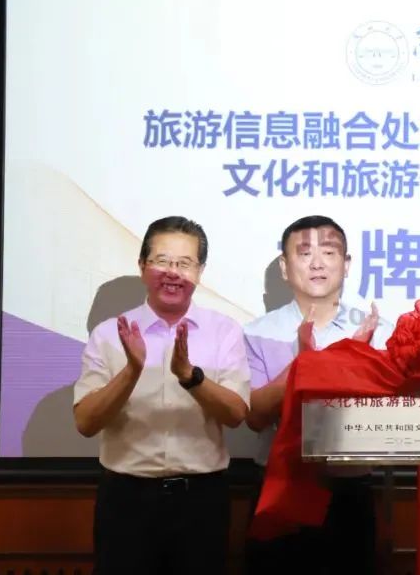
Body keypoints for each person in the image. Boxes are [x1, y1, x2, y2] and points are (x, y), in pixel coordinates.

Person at [73, 216, 250, 575]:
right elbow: (86, 423)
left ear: (200, 272)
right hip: (126, 499)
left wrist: (191, 377)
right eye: (162, 261)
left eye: (185, 263)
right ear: (142, 266)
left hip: (201, 501)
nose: (173, 273)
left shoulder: (224, 331)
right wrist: (132, 370)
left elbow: (235, 414)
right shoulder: (109, 334)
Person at [243, 215, 392, 574]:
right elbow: (255, 417)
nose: (317, 263)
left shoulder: (381, 332)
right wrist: (306, 363)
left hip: (350, 492)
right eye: (304, 252)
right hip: (280, 489)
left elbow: (389, 414)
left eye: (328, 252)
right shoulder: (256, 332)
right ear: (284, 266)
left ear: (346, 263)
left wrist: (355, 357)